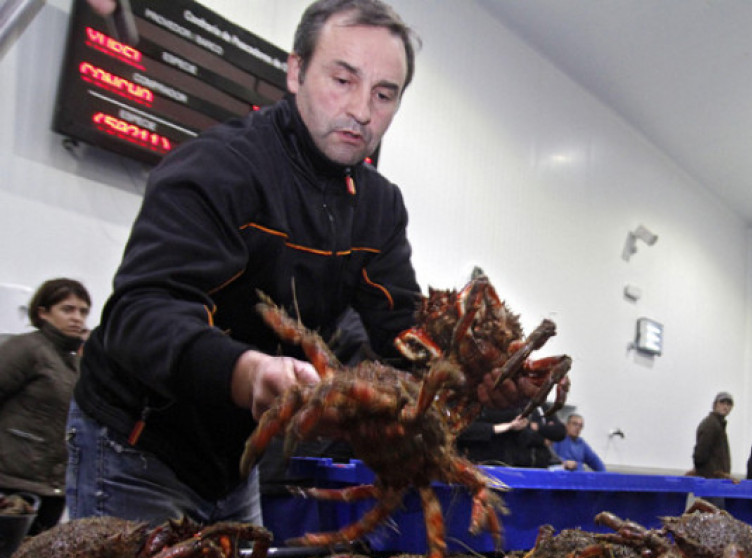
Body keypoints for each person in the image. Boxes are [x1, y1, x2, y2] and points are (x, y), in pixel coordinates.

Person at [66, 0, 526, 527]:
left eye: (384, 94)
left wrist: (479, 376)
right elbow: (142, 312)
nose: (361, 110)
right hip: (137, 444)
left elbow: (401, 333)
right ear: (296, 70)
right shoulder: (219, 166)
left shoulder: (380, 206)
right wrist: (250, 372)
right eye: (342, 79)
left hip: (240, 460)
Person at [0, 279, 91, 533]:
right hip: (12, 483)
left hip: (53, 487)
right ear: (43, 312)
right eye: (67, 309)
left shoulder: (74, 362)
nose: (77, 318)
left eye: (83, 311)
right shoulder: (26, 349)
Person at [457, 406, 564, 468]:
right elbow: (460, 430)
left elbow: (559, 431)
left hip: (508, 465)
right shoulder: (471, 403)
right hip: (475, 462)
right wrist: (542, 439)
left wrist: (536, 427)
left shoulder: (540, 407)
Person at [691, 391, 733, 478]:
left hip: (717, 480)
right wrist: (711, 473)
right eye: (722, 403)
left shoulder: (718, 425)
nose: (725, 407)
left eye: (728, 404)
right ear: (715, 405)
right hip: (711, 481)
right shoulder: (711, 425)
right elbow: (700, 456)